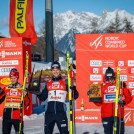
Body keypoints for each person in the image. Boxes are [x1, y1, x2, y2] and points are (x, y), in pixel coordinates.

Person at [28, 61, 79, 134]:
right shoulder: (48, 83)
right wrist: (38, 93)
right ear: (52, 71)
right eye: (54, 70)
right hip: (49, 114)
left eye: (57, 70)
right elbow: (43, 98)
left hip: (61, 113)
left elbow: (75, 96)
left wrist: (73, 89)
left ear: (60, 70)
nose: (55, 72)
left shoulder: (65, 82)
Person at [87, 67, 133, 134]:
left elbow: (129, 97)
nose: (109, 80)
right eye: (107, 79)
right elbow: (99, 103)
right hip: (106, 115)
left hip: (118, 114)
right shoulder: (101, 86)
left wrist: (124, 101)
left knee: (120, 132)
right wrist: (93, 97)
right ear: (105, 78)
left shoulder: (120, 85)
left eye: (111, 78)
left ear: (114, 77)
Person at [0, 68, 29, 134]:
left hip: (17, 116)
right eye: (11, 78)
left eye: (14, 78)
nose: (12, 80)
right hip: (6, 116)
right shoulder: (6, 88)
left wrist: (26, 95)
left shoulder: (22, 88)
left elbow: (27, 103)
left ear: (17, 77)